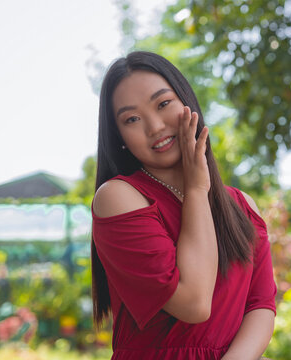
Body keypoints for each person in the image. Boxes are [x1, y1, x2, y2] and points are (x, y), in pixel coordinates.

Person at [91, 51, 277, 360]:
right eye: (132, 119)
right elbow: (194, 303)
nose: (155, 126)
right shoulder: (118, 198)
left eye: (163, 104)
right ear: (119, 136)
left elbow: (260, 305)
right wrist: (196, 190)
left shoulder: (242, 206)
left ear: (187, 103)